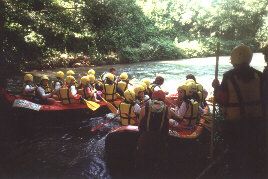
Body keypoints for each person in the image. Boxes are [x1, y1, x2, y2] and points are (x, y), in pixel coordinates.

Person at [212, 44, 264, 177]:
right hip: (257, 123)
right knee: (254, 155)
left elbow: (221, 100)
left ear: (235, 59)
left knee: (235, 156)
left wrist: (216, 88)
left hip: (235, 124)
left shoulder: (228, 76)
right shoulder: (260, 75)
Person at [136, 90, 170, 176]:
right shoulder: (167, 109)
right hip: (160, 139)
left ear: (152, 98)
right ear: (163, 99)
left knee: (143, 163)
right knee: (157, 163)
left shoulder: (144, 108)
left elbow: (139, 125)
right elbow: (168, 123)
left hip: (145, 138)